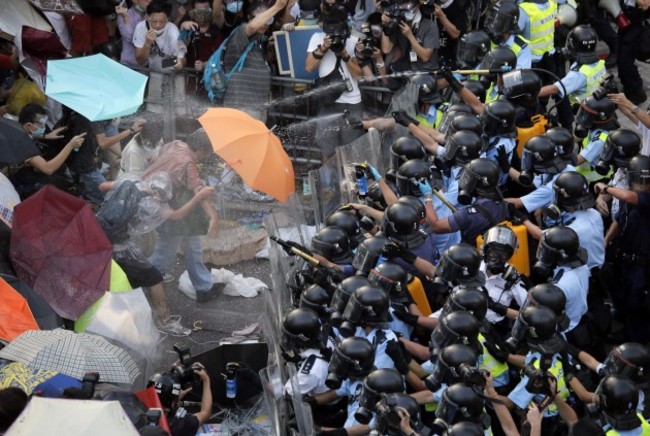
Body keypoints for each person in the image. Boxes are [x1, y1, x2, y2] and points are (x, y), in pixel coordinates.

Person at [97, 172, 214, 335]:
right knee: (154, 278)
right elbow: (177, 215)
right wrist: (199, 196)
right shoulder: (151, 204)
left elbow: (102, 186)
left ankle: (121, 312)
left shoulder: (131, 181)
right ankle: (164, 320)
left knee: (120, 279)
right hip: (119, 248)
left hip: (96, 237)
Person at [143, 128, 221, 304]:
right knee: (164, 255)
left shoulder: (175, 144)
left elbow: (157, 157)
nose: (207, 155)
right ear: (201, 149)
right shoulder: (188, 164)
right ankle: (143, 288)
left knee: (193, 246)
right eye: (208, 151)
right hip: (166, 207)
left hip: (164, 200)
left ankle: (204, 288)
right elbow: (199, 191)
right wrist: (213, 216)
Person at [598, 155, 650, 343]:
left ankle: (634, 341)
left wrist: (605, 188)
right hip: (624, 258)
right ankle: (622, 320)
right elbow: (619, 221)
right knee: (621, 294)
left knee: (638, 303)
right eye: (639, 180)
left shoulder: (640, 198)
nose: (643, 185)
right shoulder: (629, 198)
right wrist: (606, 240)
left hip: (642, 265)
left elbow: (630, 197)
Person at [306, 3, 363, 160]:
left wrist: (344, 53)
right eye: (329, 26)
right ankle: (329, 183)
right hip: (328, 102)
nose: (333, 30)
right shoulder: (317, 38)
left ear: (344, 25)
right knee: (327, 148)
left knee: (351, 150)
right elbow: (309, 67)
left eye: (336, 26)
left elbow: (359, 75)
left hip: (352, 103)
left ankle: (350, 183)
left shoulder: (354, 41)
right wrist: (323, 48)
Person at [220, 0, 289, 122]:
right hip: (242, 105)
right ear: (249, 18)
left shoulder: (259, 41)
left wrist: (271, 47)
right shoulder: (239, 33)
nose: (264, 24)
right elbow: (252, 26)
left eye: (268, 20)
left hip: (258, 105)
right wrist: (278, 6)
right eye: (261, 19)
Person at [12, 104, 86, 199]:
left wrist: (46, 136)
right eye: (41, 124)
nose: (44, 127)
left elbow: (31, 135)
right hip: (15, 182)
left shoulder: (16, 128)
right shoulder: (23, 144)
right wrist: (70, 145)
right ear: (29, 125)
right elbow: (48, 169)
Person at [133, 1, 188, 115]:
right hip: (155, 69)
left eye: (162, 21)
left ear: (167, 19)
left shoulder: (173, 31)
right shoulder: (140, 28)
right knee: (154, 105)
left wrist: (180, 63)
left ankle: (180, 125)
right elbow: (140, 60)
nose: (158, 25)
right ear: (147, 17)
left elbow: (183, 59)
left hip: (172, 68)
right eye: (154, 21)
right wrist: (147, 43)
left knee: (179, 106)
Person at [147, 363, 213, 436]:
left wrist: (174, 398)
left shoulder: (140, 416)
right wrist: (206, 380)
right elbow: (205, 413)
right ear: (172, 402)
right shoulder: (180, 424)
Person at [381, 0, 440, 77]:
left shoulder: (430, 26)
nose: (404, 9)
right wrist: (385, 25)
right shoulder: (400, 24)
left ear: (417, 6)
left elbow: (425, 57)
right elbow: (386, 49)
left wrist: (410, 36)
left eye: (408, 6)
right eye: (402, 7)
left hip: (426, 71)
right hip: (409, 70)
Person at [617, 0, 650, 105]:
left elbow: (646, 5)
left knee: (625, 60)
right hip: (626, 20)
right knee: (620, 58)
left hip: (637, 24)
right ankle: (628, 88)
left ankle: (637, 93)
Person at [484, 0, 531, 70]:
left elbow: (521, 76)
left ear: (509, 24)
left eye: (498, 21)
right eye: (493, 18)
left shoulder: (522, 48)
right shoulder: (487, 40)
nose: (494, 23)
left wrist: (504, 74)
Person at [116, 0, 152, 66]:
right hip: (128, 65)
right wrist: (126, 17)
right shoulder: (123, 14)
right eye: (147, 0)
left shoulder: (151, 16)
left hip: (146, 66)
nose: (150, 1)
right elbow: (130, 38)